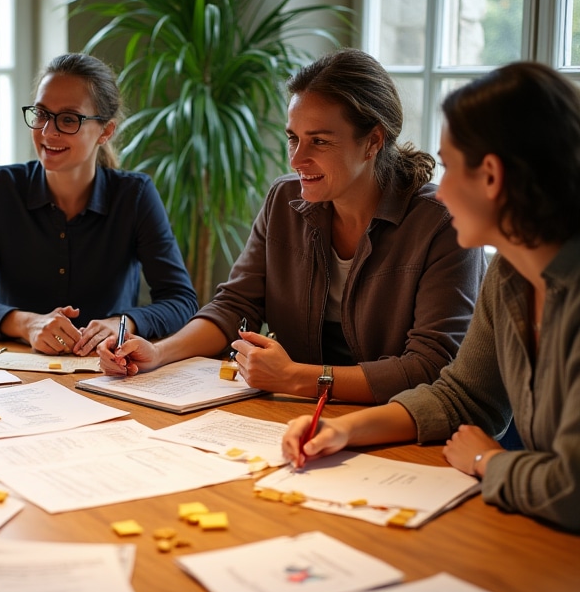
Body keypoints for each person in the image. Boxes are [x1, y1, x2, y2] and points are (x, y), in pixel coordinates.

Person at [283, 61, 580, 531]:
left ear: (491, 177)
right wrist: (343, 430)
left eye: (448, 167)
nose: (439, 194)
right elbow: (463, 395)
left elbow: (572, 490)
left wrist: (486, 459)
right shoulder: (509, 273)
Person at [99, 49, 487, 404]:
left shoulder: (441, 222)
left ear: (372, 142)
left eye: (318, 141)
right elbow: (235, 306)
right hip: (298, 417)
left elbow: (430, 367)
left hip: (399, 429)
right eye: (293, 138)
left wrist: (296, 379)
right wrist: (158, 352)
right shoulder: (285, 202)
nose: (297, 159)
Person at [0, 53, 198, 356]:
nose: (48, 132)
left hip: (109, 373)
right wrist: (26, 324)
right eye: (41, 114)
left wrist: (123, 323)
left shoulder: (135, 195)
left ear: (105, 131)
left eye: (68, 119)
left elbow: (181, 300)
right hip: (16, 371)